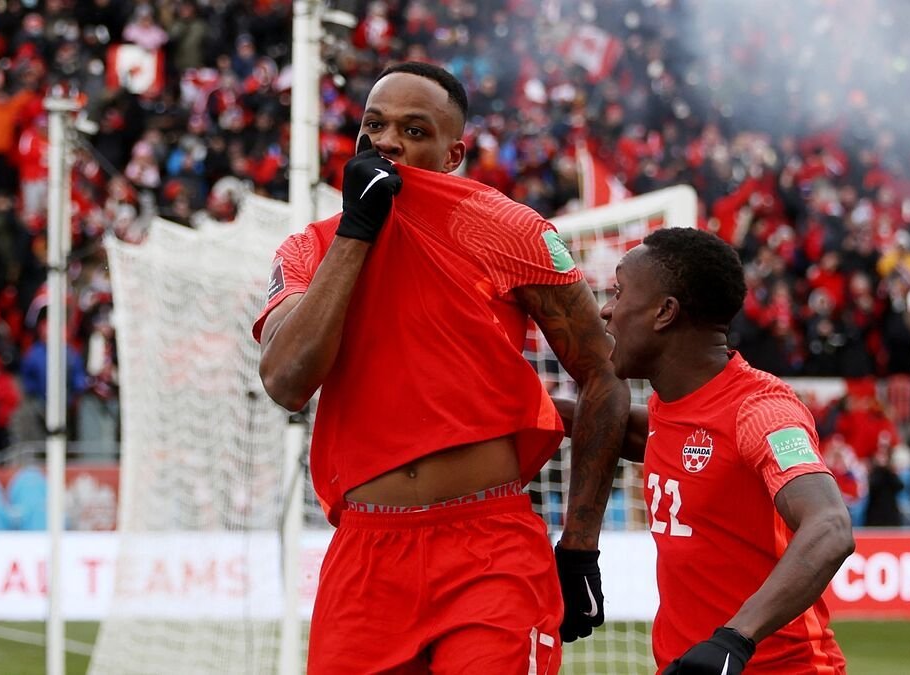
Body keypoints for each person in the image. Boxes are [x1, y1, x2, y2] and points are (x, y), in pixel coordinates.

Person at [253, 62, 628, 674]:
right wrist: (357, 230)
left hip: (488, 548)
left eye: (413, 129)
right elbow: (286, 381)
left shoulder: (511, 229)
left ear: (453, 153)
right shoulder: (310, 248)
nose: (387, 142)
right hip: (366, 555)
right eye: (374, 126)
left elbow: (601, 374)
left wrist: (581, 542)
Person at [596, 228, 853, 673]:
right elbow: (642, 433)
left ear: (665, 313)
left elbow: (830, 527)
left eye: (618, 293)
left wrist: (734, 639)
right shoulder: (672, 408)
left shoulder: (762, 411)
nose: (606, 309)